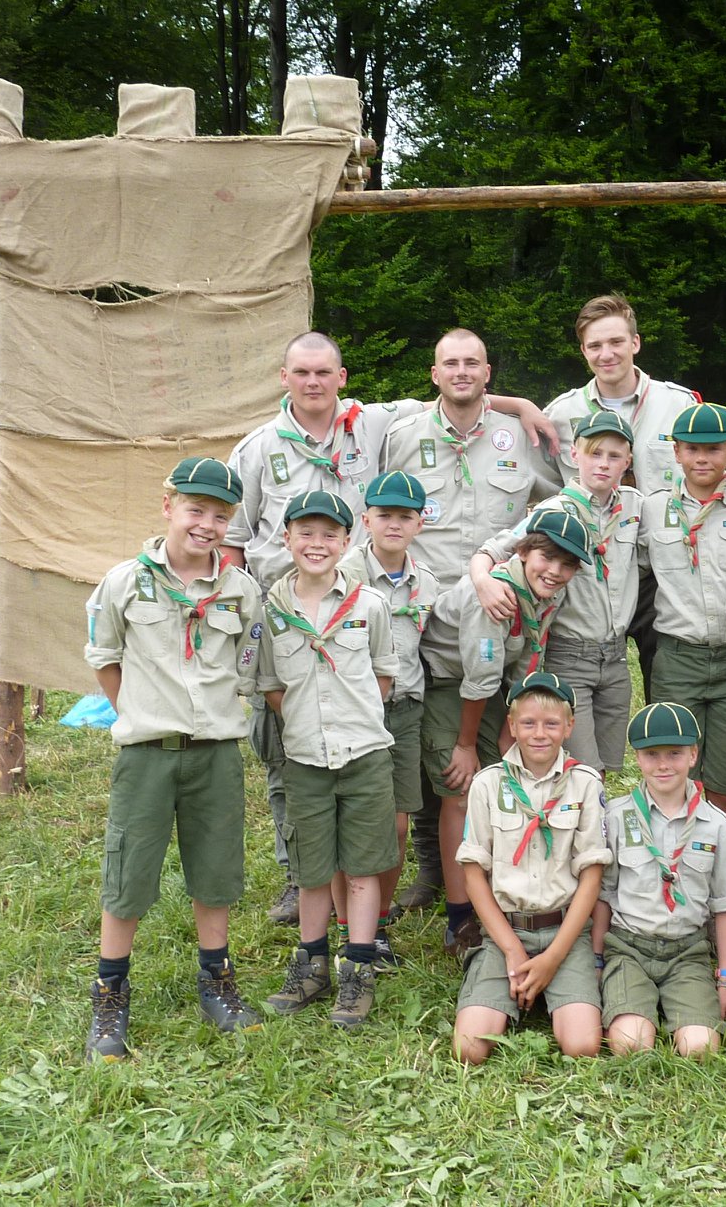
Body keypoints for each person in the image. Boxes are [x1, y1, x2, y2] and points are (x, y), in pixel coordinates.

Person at [221, 331, 554, 926]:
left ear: (342, 377)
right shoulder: (257, 449)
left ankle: (423, 865)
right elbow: (235, 541)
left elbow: (458, 395)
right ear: (284, 377)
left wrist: (521, 406)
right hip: (291, 620)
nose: (314, 382)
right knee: (290, 752)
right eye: (302, 372)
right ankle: (302, 877)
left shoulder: (372, 425)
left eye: (325, 372)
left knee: (408, 736)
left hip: (398, 609)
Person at [80, 457, 266, 1062]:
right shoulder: (124, 582)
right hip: (147, 756)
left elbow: (248, 661)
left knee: (216, 868)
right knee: (129, 870)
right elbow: (105, 656)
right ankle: (110, 991)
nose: (206, 524)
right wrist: (138, 712)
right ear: (168, 508)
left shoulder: (240, 590)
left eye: (219, 515)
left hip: (215, 753)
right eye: (195, 510)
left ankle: (216, 980)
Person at [383, 329, 560, 914]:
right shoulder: (403, 433)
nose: (461, 372)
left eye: (473, 364)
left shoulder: (521, 435)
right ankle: (434, 872)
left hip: (506, 618)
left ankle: (498, 870)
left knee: (492, 745)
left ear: (489, 373)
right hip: (426, 620)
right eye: (450, 363)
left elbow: (554, 504)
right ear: (433, 374)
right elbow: (379, 509)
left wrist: (522, 407)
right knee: (432, 747)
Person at [418, 508, 591, 953]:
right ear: (524, 551)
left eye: (567, 564)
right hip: (448, 683)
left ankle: (496, 897)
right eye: (547, 558)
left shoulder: (545, 593)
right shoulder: (495, 597)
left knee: (502, 782)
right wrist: (465, 743)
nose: (555, 571)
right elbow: (475, 681)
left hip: (495, 686)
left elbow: (522, 657)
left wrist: (510, 726)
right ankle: (460, 919)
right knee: (462, 788)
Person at [255, 491, 398, 1027]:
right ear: (287, 537)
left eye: (329, 534)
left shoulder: (369, 606)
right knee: (312, 870)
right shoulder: (270, 613)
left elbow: (383, 678)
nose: (317, 544)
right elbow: (271, 685)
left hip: (363, 755)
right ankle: (311, 966)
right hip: (305, 759)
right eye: (306, 533)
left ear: (345, 541)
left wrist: (348, 721)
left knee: (362, 869)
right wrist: (310, 725)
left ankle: (356, 972)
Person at [544, 295, 701, 696]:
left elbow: (706, 477)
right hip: (590, 574)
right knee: (581, 692)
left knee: (667, 688)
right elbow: (544, 490)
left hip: (661, 571)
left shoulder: (677, 404)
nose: (606, 353)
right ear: (583, 351)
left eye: (615, 342)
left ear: (635, 343)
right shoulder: (561, 415)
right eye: (595, 345)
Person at [452, 672, 611, 1065]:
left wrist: (554, 957)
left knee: (583, 1046)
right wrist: (510, 949)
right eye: (528, 723)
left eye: (552, 723)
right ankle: (514, 984)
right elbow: (473, 874)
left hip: (565, 932)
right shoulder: (488, 785)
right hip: (506, 930)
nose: (540, 734)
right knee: (469, 1049)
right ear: (511, 725)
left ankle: (551, 985)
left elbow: (592, 875)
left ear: (569, 726)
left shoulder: (586, 784)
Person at [470, 409, 642, 772]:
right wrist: (483, 580)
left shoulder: (635, 507)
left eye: (614, 457)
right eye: (595, 453)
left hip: (615, 657)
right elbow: (493, 550)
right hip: (569, 653)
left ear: (627, 461)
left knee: (609, 765)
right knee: (579, 765)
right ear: (574, 454)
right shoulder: (554, 511)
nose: (604, 464)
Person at [637, 403, 726, 825]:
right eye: (691, 449)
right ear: (676, 453)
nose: (702, 458)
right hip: (677, 657)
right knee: (671, 773)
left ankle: (717, 872)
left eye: (714, 449)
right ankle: (674, 866)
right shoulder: (651, 509)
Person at [594, 702, 726, 1057]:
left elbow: (725, 903)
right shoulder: (617, 816)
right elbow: (604, 894)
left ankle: (690, 1007)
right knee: (629, 1044)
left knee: (700, 1048)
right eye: (651, 754)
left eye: (674, 753)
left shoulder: (717, 824)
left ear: (693, 754)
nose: (663, 764)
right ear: (637, 758)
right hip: (629, 948)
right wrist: (597, 962)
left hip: (687, 952)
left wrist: (725, 981)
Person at [337, 470, 439, 968]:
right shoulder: (343, 576)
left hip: (404, 712)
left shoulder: (429, 583)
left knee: (397, 826)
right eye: (384, 515)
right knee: (354, 822)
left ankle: (374, 926)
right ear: (366, 520)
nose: (394, 524)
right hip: (353, 712)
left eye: (405, 516)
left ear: (421, 523)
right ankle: (344, 923)